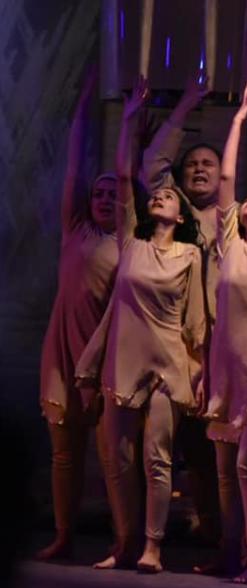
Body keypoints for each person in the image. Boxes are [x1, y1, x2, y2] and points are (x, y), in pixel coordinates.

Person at [75, 76, 206, 573]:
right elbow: (127, 175)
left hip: (168, 361)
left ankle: (153, 546)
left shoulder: (190, 255)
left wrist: (198, 366)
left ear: (180, 215)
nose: (162, 197)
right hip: (124, 359)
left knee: (157, 457)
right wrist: (129, 119)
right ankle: (123, 542)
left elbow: (195, 319)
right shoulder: (131, 241)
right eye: (159, 195)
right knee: (119, 458)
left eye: (170, 196)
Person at [37, 68, 118, 561]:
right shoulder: (76, 230)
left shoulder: (129, 244)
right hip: (61, 352)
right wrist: (85, 101)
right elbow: (73, 164)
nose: (105, 199)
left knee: (112, 459)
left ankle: (123, 541)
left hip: (104, 359)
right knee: (64, 454)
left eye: (114, 194)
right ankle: (64, 536)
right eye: (99, 194)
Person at [142, 70, 222, 549]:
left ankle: (225, 541)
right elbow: (153, 169)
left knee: (219, 455)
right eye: (191, 164)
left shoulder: (236, 217)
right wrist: (185, 106)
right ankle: (159, 537)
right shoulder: (178, 215)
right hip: (176, 351)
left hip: (226, 351)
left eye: (208, 163)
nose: (198, 170)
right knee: (178, 448)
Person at [200, 81, 247, 581]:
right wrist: (237, 121)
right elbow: (227, 178)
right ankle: (232, 551)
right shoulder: (230, 242)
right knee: (227, 473)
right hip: (226, 370)